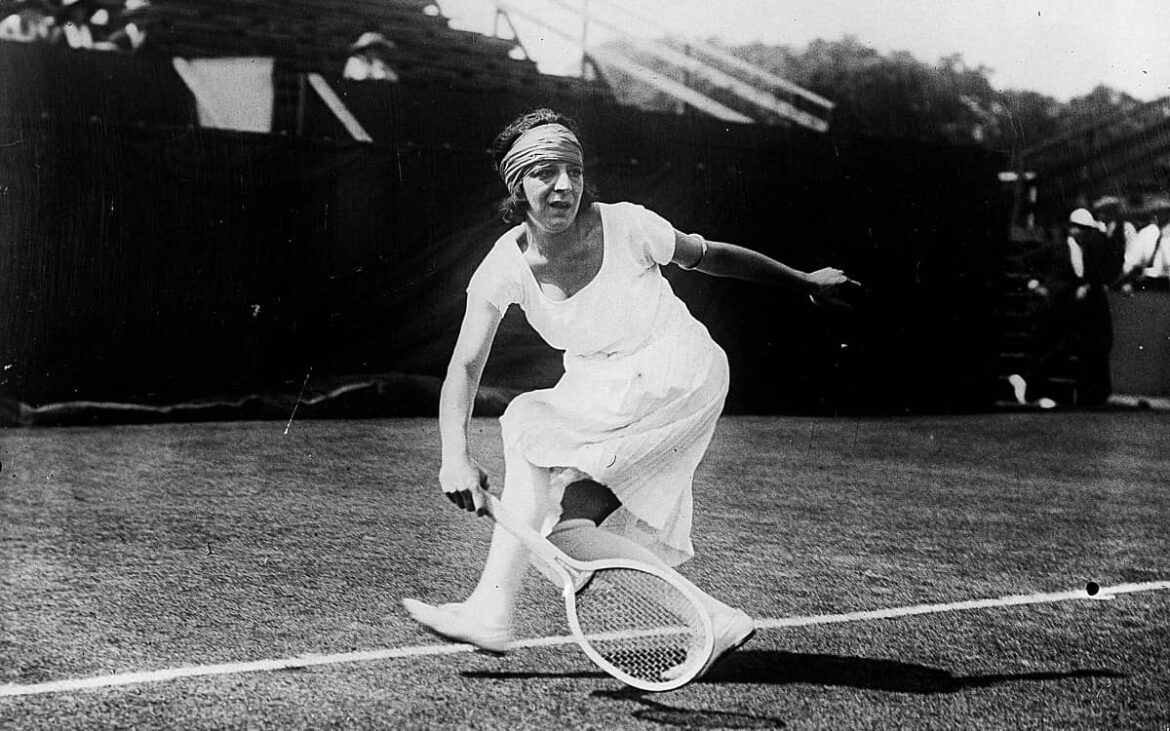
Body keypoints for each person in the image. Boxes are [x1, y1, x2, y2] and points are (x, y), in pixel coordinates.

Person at [402, 109, 860, 679]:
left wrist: (804, 281)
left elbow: (711, 255)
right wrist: (454, 456)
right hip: (603, 384)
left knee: (526, 426)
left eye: (573, 170)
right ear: (516, 184)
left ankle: (492, 611)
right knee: (569, 530)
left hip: (678, 373)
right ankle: (710, 620)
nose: (564, 186)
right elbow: (465, 366)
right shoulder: (503, 265)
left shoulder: (628, 224)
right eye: (545, 172)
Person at [1010, 208, 1120, 409]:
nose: (1083, 233)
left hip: (1073, 309)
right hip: (1055, 306)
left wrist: (1087, 286)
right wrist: (1033, 283)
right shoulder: (1057, 247)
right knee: (1057, 348)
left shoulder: (1087, 250)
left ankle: (1034, 385)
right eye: (1080, 229)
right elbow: (1024, 260)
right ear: (1071, 228)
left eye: (1086, 230)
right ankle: (1030, 384)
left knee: (1073, 347)